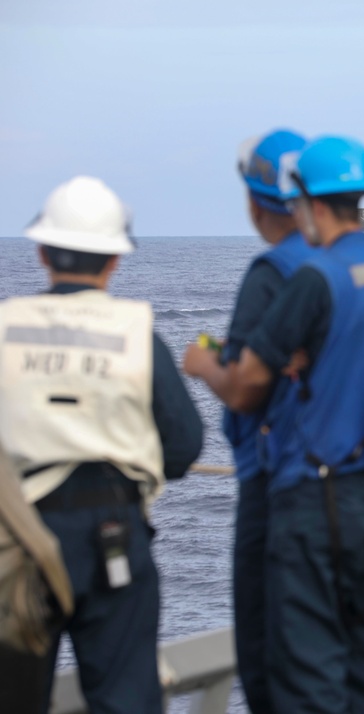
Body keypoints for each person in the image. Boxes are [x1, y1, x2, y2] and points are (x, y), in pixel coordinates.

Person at [219, 136, 364, 712]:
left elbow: (246, 384)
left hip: (314, 499)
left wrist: (201, 364)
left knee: (306, 677)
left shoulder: (316, 275)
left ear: (307, 202)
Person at [0, 176, 203, 713]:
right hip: (113, 536)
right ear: (116, 259)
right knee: (125, 696)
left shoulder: (5, 327)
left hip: (18, 539)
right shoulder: (137, 333)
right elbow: (183, 445)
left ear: (42, 251)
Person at [182, 129, 311, 714]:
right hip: (345, 479)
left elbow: (245, 388)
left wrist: (204, 364)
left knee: (263, 651)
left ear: (255, 201)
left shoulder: (270, 274)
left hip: (274, 482)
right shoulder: (340, 264)